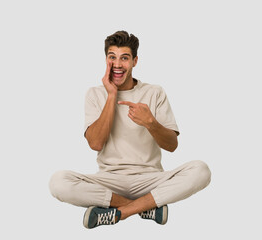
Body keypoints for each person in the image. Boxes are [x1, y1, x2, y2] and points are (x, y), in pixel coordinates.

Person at [49, 30, 211, 229]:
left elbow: (172, 146)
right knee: (58, 182)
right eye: (112, 57)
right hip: (109, 180)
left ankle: (120, 212)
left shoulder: (154, 92)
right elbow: (96, 143)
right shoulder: (94, 94)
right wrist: (111, 95)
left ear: (135, 61)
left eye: (124, 58)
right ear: (106, 59)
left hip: (150, 179)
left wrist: (150, 122)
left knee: (201, 170)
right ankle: (146, 208)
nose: (117, 64)